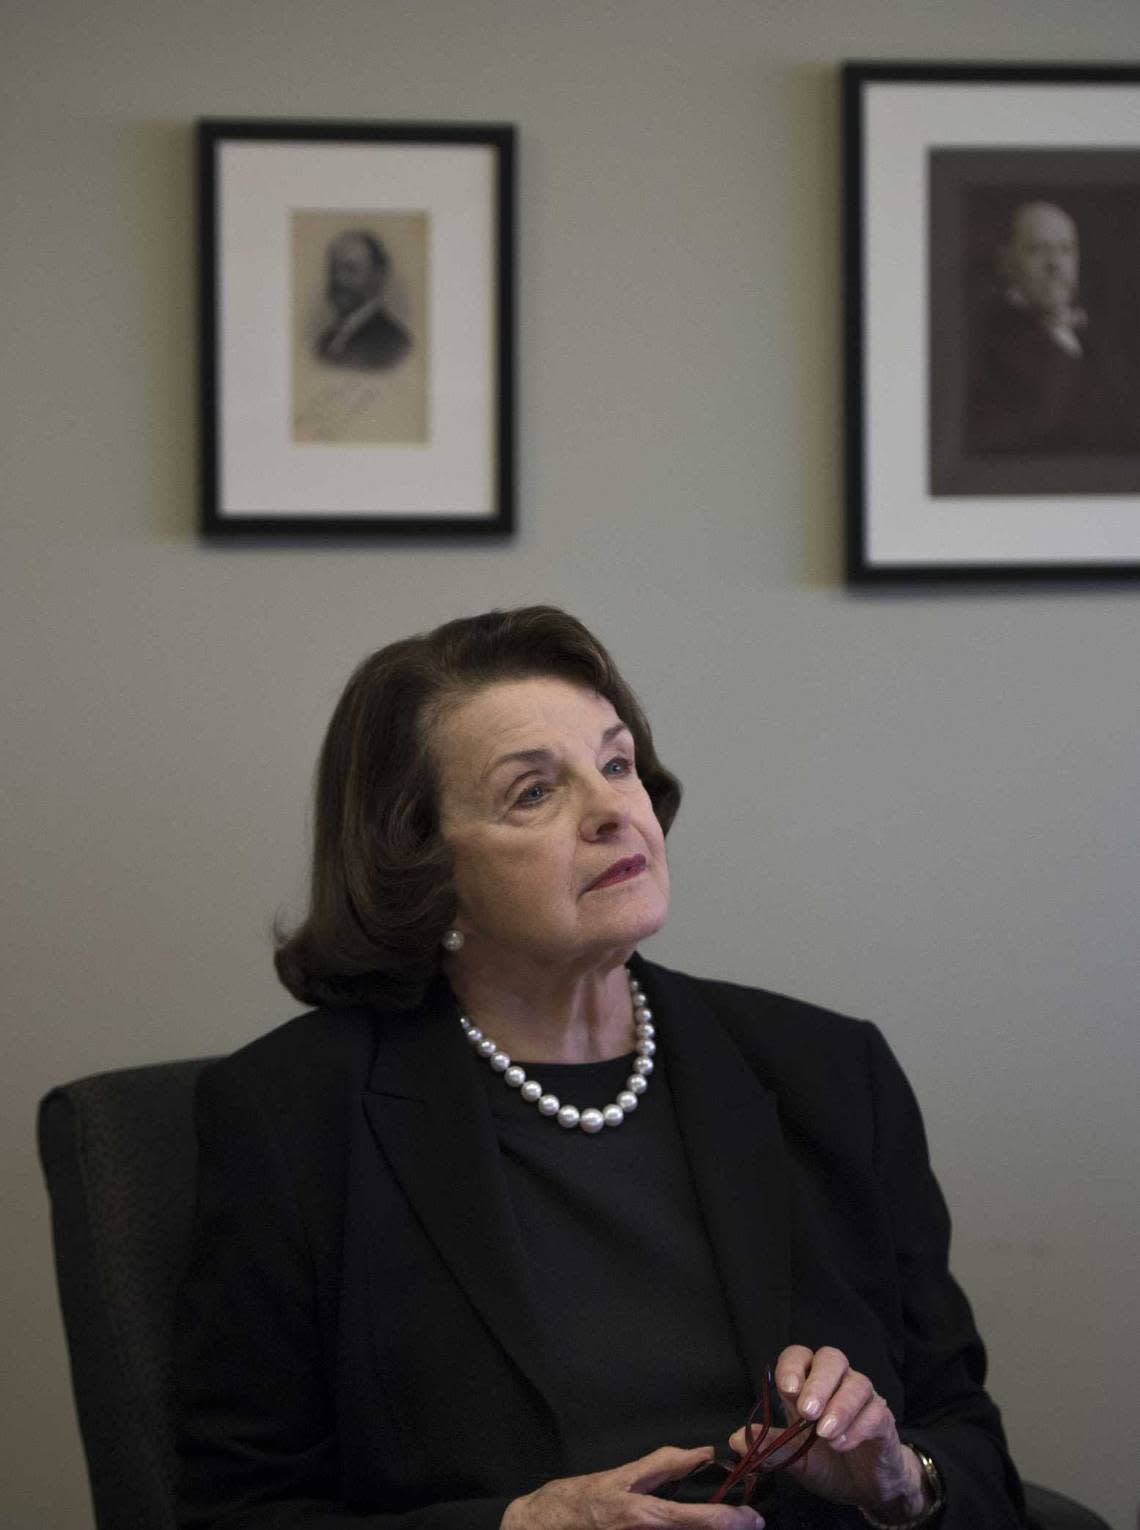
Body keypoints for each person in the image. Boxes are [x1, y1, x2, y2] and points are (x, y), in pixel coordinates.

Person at [176, 607, 1027, 1530]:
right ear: (420, 863)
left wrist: (902, 1480)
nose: (614, 810)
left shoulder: (831, 1073)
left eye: (616, 764)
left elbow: (969, 1442)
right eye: (534, 793)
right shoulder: (292, 1114)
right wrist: (513, 1528)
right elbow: (237, 1510)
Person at [966, 199, 1136, 454]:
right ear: (1008, 261)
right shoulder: (986, 335)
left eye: (1066, 250)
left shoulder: (1096, 332)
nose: (1056, 264)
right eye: (1038, 250)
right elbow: (1034, 430)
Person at [315, 229, 411, 371]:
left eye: (350, 269)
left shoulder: (393, 343)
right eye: (334, 270)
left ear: (377, 277)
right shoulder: (326, 340)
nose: (339, 279)